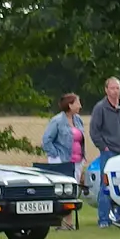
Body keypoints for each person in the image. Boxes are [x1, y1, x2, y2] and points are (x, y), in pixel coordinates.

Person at [88, 77, 120, 228]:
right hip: (109, 152)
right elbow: (94, 131)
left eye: (117, 88)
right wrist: (104, 147)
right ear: (106, 90)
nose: (115, 91)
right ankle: (104, 219)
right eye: (112, 88)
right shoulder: (100, 108)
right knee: (106, 185)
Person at [42, 94, 85, 230]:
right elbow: (46, 140)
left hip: (77, 161)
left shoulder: (78, 120)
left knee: (73, 191)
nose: (80, 106)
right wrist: (56, 156)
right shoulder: (57, 121)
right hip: (62, 161)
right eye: (77, 103)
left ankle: (68, 222)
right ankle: (61, 222)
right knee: (62, 191)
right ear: (70, 105)